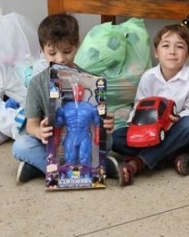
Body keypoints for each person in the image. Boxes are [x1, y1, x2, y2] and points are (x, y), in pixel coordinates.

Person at [12, 13, 115, 183]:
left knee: (109, 141)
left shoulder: (91, 80)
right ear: (41, 50)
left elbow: (100, 122)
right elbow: (31, 124)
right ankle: (95, 168)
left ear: (77, 46)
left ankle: (38, 168)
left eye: (67, 51)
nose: (60, 59)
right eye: (52, 53)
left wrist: (106, 124)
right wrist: (39, 131)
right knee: (21, 146)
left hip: (83, 137)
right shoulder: (37, 83)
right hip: (50, 143)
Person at [110, 24, 189, 186]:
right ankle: (171, 156)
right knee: (116, 138)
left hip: (175, 130)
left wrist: (176, 119)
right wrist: (135, 124)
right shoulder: (148, 77)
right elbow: (139, 105)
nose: (172, 51)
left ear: (188, 55)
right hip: (149, 132)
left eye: (179, 47)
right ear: (156, 52)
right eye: (165, 46)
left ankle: (138, 163)